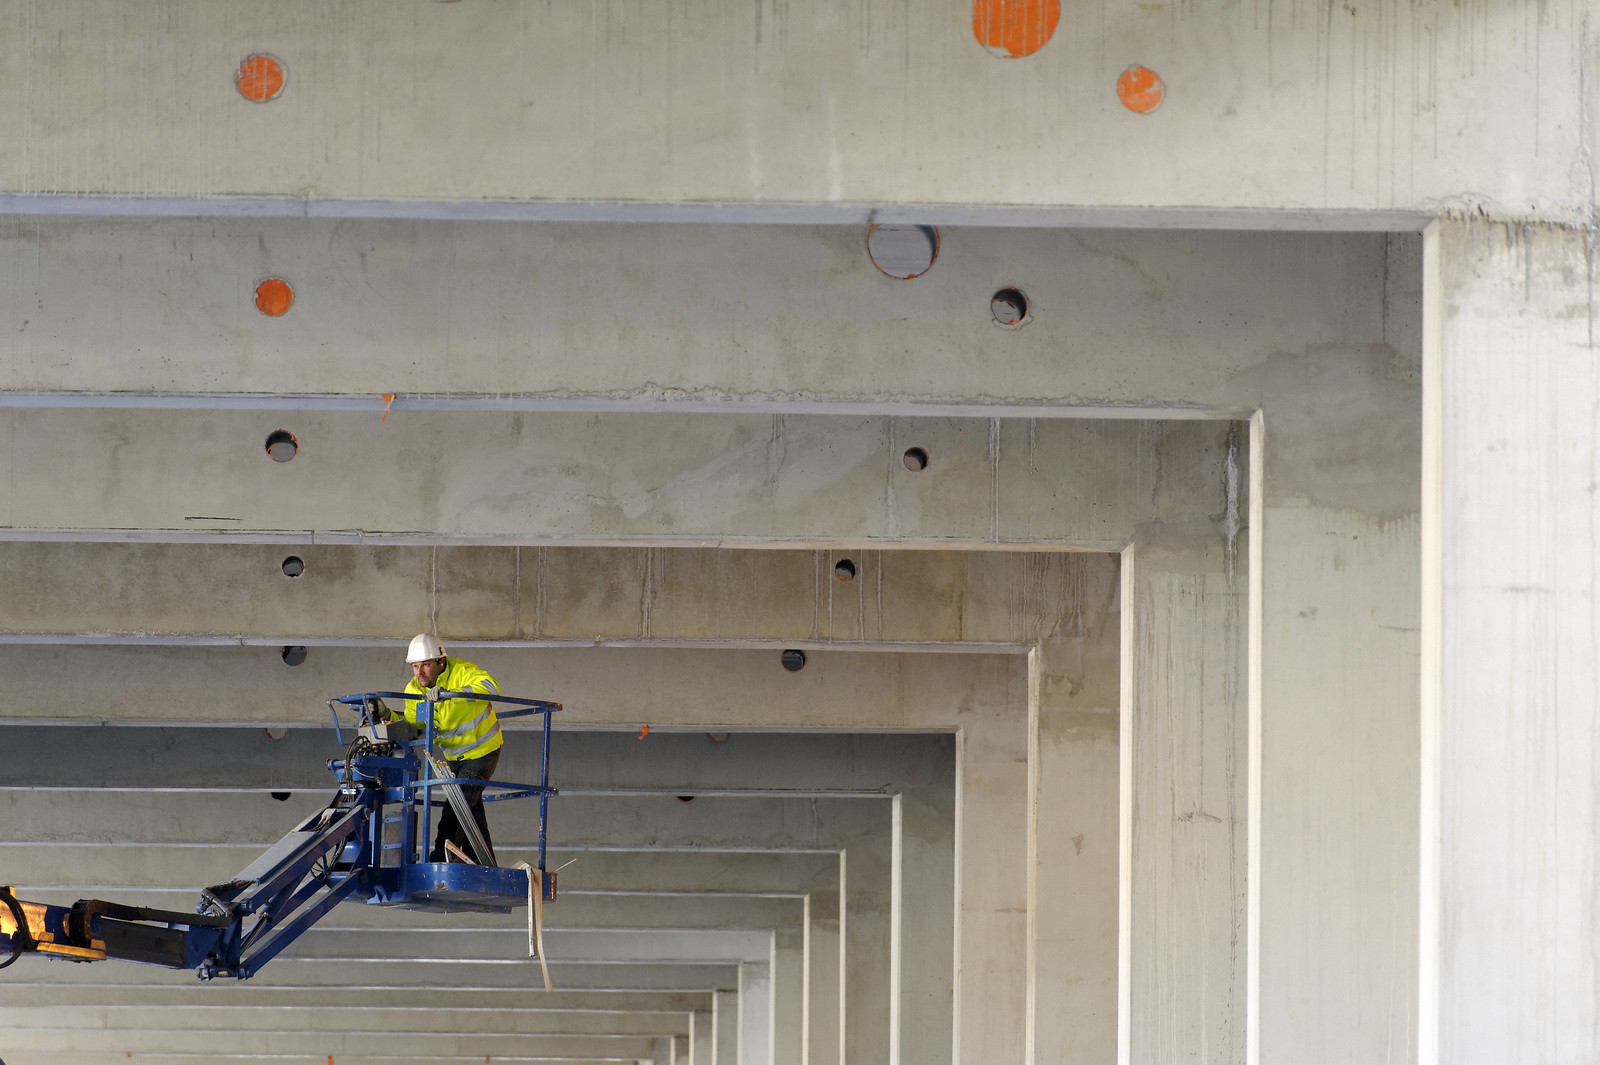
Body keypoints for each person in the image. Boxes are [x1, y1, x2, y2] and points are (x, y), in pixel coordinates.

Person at [398, 633, 504, 865]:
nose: (420, 672)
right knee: (471, 810)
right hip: (453, 758)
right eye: (415, 666)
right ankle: (483, 863)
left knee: (456, 807)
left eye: (426, 665)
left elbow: (492, 687)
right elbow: (414, 724)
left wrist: (450, 695)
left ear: (441, 662)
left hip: (482, 751)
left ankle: (440, 861)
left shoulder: (462, 672)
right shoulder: (414, 691)